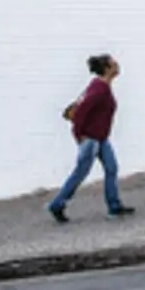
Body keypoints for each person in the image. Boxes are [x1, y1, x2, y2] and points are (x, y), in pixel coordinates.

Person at [49, 53, 133, 222]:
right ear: (107, 68)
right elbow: (80, 113)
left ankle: (114, 207)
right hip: (91, 140)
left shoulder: (102, 86)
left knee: (111, 168)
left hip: (101, 139)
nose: (117, 65)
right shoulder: (99, 89)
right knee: (80, 173)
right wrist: (79, 136)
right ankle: (57, 204)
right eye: (114, 63)